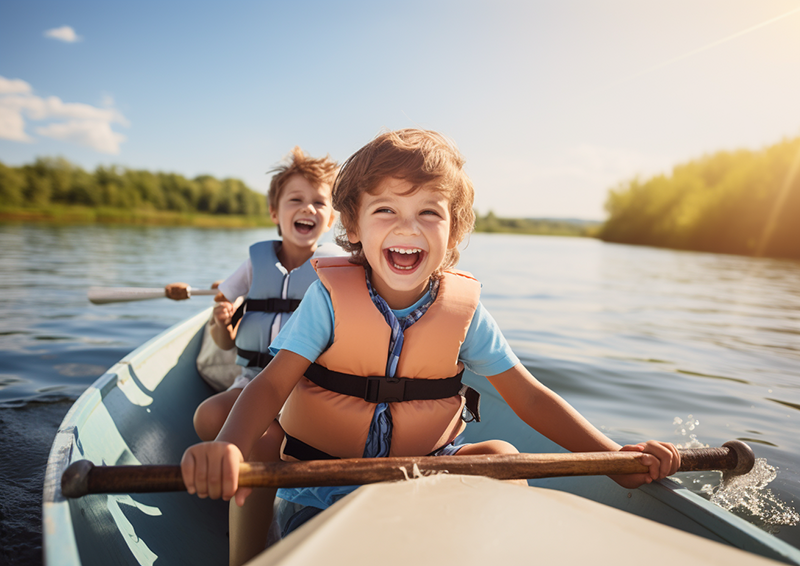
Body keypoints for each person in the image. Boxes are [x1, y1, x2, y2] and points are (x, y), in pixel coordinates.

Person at [181, 129, 681, 566]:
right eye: (386, 210)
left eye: (428, 212)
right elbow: (270, 385)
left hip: (425, 478)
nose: (408, 227)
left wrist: (616, 460)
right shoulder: (328, 299)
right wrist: (227, 446)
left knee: (501, 456)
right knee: (258, 453)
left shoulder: (465, 314)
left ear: (454, 231)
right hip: (324, 485)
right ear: (352, 227)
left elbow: (529, 398)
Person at [190, 146, 340, 442]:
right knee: (206, 417)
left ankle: (256, 469)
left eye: (319, 203)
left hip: (306, 386)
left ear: (331, 219)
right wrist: (222, 323)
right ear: (274, 211)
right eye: (295, 200)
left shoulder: (334, 270)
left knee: (269, 438)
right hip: (250, 379)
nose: (308, 208)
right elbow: (224, 344)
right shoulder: (254, 265)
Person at [164, 281, 241, 392]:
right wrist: (187, 290)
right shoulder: (245, 282)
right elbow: (218, 285)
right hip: (216, 374)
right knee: (229, 302)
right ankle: (223, 323)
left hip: (250, 378)